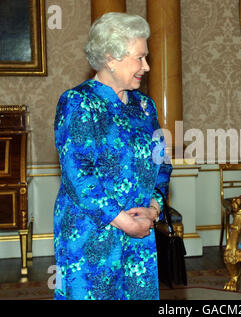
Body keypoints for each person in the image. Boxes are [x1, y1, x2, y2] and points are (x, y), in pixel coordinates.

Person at [53, 12, 172, 300]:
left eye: (147, 57)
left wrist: (153, 209)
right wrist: (123, 221)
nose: (146, 66)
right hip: (92, 232)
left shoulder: (145, 106)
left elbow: (162, 162)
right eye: (139, 58)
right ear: (111, 58)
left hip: (140, 229)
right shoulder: (79, 102)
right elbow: (78, 175)